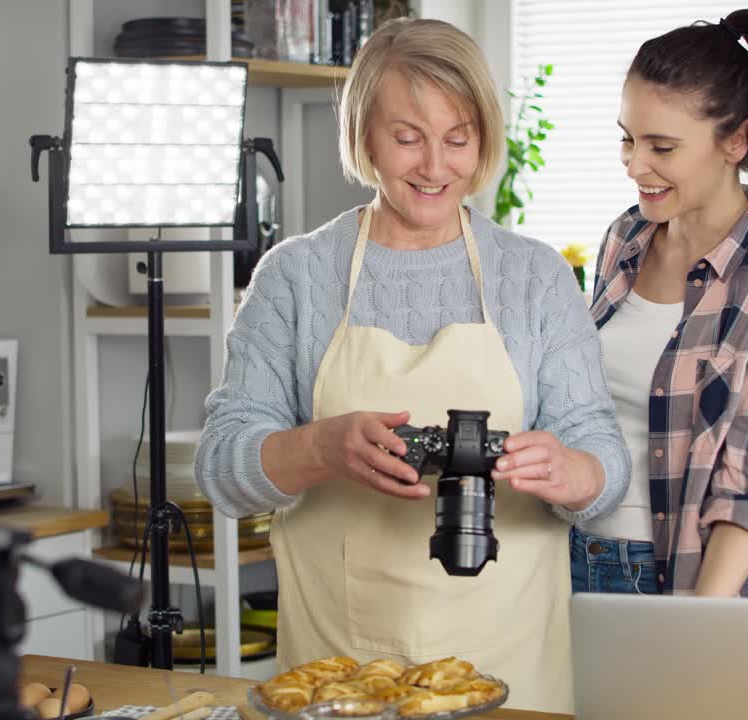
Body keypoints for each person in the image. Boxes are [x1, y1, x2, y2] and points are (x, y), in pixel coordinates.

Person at [196, 18, 628, 713]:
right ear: (364, 134)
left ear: (483, 137)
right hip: (336, 680)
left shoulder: (535, 278)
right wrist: (319, 447)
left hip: (513, 672)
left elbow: (602, 455)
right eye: (407, 138)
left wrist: (569, 471)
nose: (434, 166)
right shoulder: (297, 278)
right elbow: (222, 471)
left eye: (457, 139)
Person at [572, 8, 748, 599]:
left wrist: (696, 624)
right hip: (570, 558)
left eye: (661, 147)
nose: (635, 165)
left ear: (736, 139)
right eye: (627, 138)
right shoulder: (625, 238)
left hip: (679, 583)